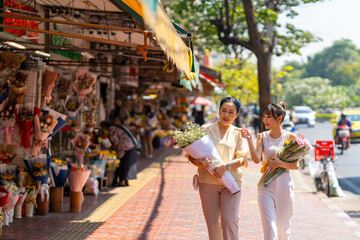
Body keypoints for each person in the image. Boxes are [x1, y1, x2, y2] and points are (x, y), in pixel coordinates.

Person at [187, 96, 248, 240]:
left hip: (231, 183)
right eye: (223, 110)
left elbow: (242, 159)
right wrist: (200, 162)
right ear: (219, 111)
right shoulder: (204, 129)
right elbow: (191, 156)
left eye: (231, 112)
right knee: (213, 224)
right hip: (207, 182)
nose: (226, 115)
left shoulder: (238, 133)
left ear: (236, 115)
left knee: (229, 221)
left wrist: (225, 166)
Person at [240, 101, 298, 240]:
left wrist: (280, 163)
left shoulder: (290, 137)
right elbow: (256, 159)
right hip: (265, 186)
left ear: (279, 118)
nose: (265, 120)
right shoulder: (262, 136)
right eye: (264, 116)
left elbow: (295, 165)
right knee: (270, 229)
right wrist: (248, 140)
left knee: (284, 231)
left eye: (269, 117)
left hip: (284, 185)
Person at [107, 110, 138, 187]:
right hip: (131, 145)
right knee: (126, 163)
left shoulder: (111, 128)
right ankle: (124, 180)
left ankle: (122, 181)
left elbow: (115, 141)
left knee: (123, 163)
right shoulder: (119, 126)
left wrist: (110, 149)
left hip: (126, 146)